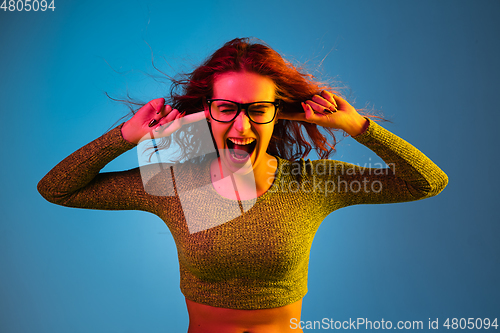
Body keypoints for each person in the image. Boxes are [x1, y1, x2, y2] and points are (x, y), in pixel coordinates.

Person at [38, 37, 448, 333]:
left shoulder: (313, 183)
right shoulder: (176, 185)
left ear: (278, 113)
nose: (242, 124)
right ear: (206, 112)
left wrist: (358, 127)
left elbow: (426, 182)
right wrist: (126, 137)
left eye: (258, 109)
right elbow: (57, 189)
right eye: (226, 108)